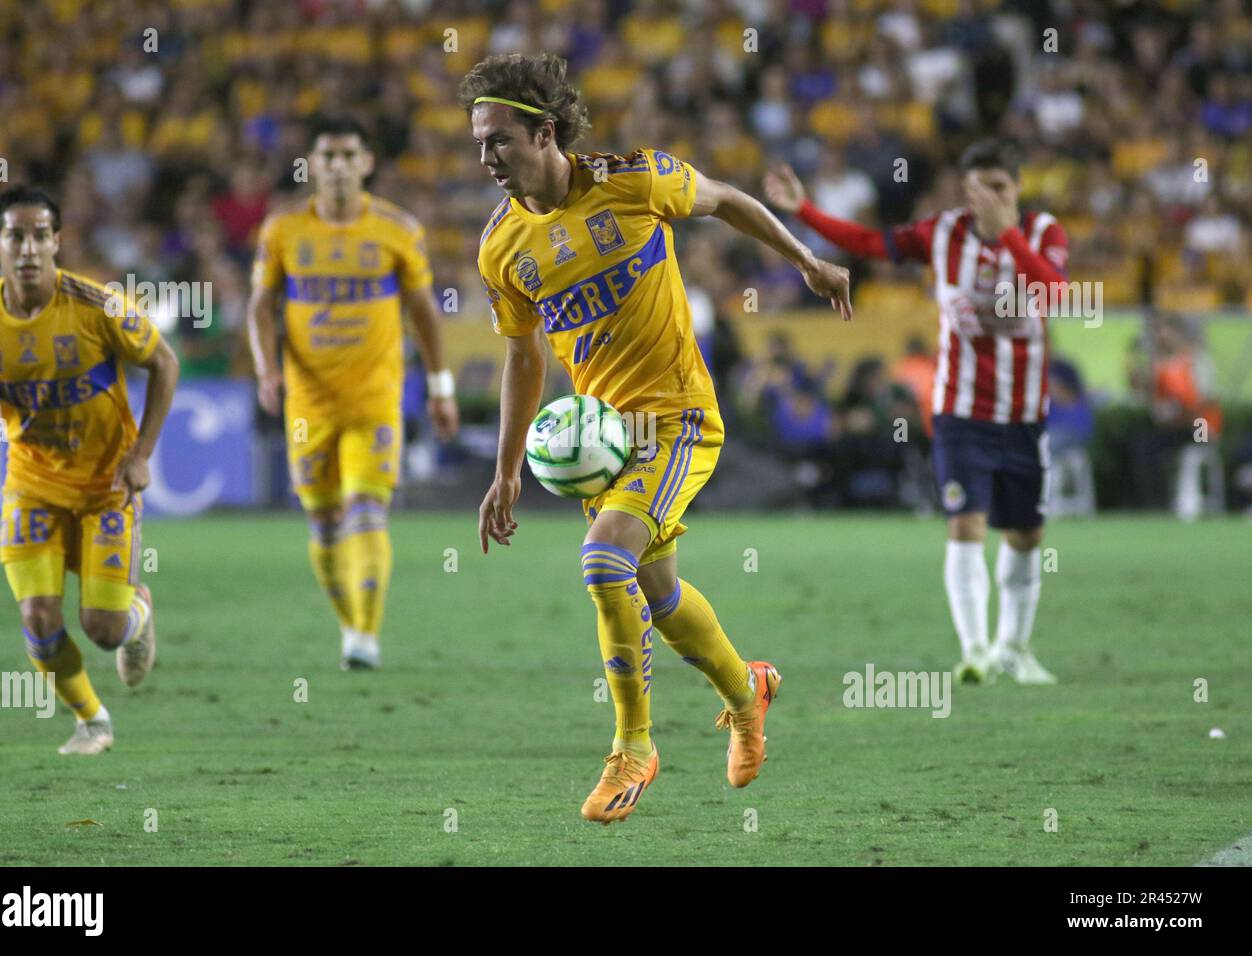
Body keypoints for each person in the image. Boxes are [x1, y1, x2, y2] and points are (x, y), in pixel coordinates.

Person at [463, 53, 851, 824]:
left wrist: (807, 260)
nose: (485, 160)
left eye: (499, 141)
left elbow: (728, 199)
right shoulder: (500, 248)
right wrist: (506, 472)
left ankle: (633, 749)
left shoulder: (633, 180)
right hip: (605, 441)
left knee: (605, 559)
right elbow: (521, 355)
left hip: (674, 419)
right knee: (659, 593)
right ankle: (749, 694)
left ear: (543, 133)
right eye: (477, 143)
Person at [767, 137, 1064, 684]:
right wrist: (803, 211)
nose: (991, 201)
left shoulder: (1043, 235)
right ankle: (975, 651)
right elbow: (869, 242)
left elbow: (1055, 294)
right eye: (980, 191)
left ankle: (1013, 647)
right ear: (966, 193)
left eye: (1001, 188)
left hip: (1023, 413)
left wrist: (1009, 236)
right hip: (960, 411)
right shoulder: (943, 233)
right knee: (965, 522)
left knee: (1025, 536)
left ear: (1017, 187)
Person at [0, 185, 180, 754]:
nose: (27, 248)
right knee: (38, 614)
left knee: (103, 629)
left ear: (57, 240)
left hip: (106, 485)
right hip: (32, 485)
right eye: (15, 236)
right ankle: (92, 720)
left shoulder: (97, 304)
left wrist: (141, 453)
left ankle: (139, 614)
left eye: (39, 235)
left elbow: (163, 362)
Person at [247, 116, 460, 671]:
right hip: (307, 403)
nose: (338, 166)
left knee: (367, 512)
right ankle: (350, 625)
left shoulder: (397, 229)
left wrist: (439, 387)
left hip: (375, 399)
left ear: (366, 163)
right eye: (328, 156)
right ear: (312, 164)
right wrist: (268, 370)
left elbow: (423, 313)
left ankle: (365, 636)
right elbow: (259, 306)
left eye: (348, 155)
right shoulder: (283, 230)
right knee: (322, 522)